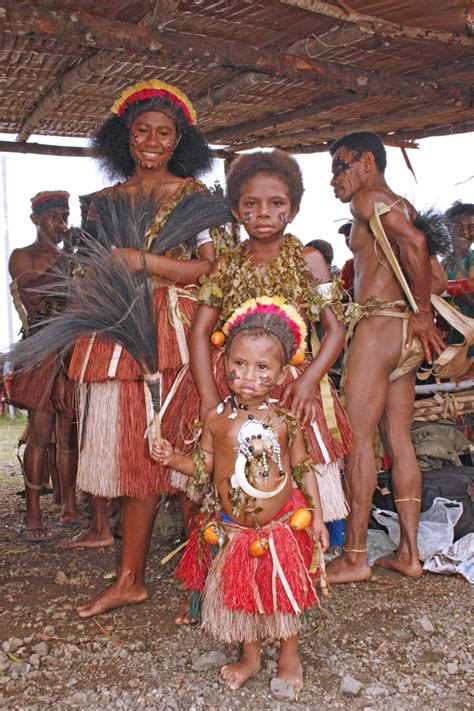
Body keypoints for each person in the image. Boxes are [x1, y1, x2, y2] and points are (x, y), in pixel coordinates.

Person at [64, 79, 219, 615]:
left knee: (187, 456)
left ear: (179, 141)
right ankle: (130, 579)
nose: (152, 140)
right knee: (137, 458)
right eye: (141, 132)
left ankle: (204, 583)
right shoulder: (103, 203)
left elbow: (215, 268)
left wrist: (144, 263)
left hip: (179, 335)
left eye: (164, 133)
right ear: (124, 139)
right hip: (119, 335)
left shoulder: (196, 196)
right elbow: (87, 271)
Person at [153, 298, 329, 696]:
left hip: (282, 523)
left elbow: (302, 467)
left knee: (283, 594)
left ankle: (289, 655)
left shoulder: (284, 420)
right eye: (239, 364)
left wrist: (316, 516)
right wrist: (173, 458)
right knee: (244, 593)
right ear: (226, 363)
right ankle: (250, 656)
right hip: (234, 531)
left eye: (262, 367)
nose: (248, 375)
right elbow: (203, 465)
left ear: (283, 374)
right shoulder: (215, 418)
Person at [326, 131, 445, 583]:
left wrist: (421, 315)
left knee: (357, 442)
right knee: (399, 441)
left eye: (340, 165)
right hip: (403, 336)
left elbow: (414, 247)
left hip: (379, 329)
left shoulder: (367, 199)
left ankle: (355, 557)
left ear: (367, 162)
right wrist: (416, 314)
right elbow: (434, 275)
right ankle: (409, 554)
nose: (334, 178)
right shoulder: (401, 204)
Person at [8, 191, 85, 541]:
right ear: (36, 220)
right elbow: (34, 294)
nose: (60, 224)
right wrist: (65, 257)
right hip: (40, 349)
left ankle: (69, 506)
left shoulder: (70, 257)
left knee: (68, 433)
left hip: (68, 348)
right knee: (40, 433)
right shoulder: (22, 256)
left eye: (64, 217)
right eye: (54, 216)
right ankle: (33, 513)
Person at [442, 202, 474, 356]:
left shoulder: (472, 259)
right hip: (453, 338)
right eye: (458, 226)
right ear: (449, 228)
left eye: (471, 227)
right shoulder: (442, 266)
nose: (465, 232)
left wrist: (440, 288)